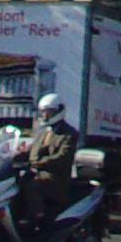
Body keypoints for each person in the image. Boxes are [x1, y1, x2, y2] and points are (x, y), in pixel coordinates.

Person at [25, 91, 81, 227]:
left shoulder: (68, 134)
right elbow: (31, 151)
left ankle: (40, 220)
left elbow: (63, 157)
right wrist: (11, 156)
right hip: (38, 174)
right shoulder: (44, 132)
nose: (44, 115)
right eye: (43, 112)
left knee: (32, 186)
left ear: (59, 111)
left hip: (56, 180)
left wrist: (42, 162)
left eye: (48, 112)